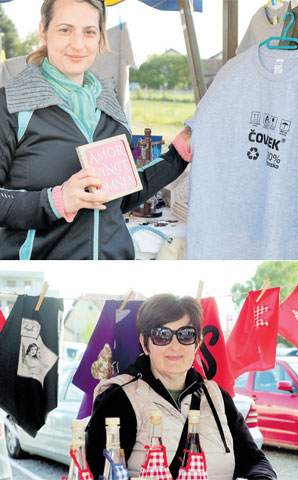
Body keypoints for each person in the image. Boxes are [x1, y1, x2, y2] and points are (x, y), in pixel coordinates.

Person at [0, 0, 191, 260]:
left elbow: (121, 198)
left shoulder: (112, 109)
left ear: (100, 36)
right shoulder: (10, 105)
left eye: (89, 32)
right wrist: (56, 201)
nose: (78, 44)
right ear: (43, 31)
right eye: (65, 30)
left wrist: (177, 156)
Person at [86, 294, 276, 480]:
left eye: (185, 335)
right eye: (162, 335)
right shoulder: (119, 398)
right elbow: (98, 471)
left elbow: (255, 460)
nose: (175, 346)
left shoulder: (217, 397)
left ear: (197, 343)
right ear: (145, 344)